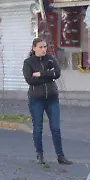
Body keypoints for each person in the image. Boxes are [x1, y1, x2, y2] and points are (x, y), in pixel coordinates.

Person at [22, 38, 68, 167]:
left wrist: (41, 74)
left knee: (56, 128)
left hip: (52, 98)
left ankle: (60, 156)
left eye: (45, 47)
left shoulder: (50, 59)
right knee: (38, 127)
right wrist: (48, 76)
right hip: (36, 98)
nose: (44, 49)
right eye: (41, 47)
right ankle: (40, 154)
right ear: (34, 48)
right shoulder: (28, 62)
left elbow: (57, 73)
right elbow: (30, 79)